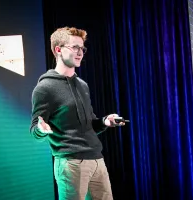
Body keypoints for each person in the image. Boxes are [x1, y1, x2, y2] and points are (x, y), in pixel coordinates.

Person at [29, 26, 125, 200]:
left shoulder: (82, 85)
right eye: (75, 47)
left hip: (97, 160)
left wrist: (104, 122)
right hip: (71, 163)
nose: (80, 52)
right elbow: (35, 128)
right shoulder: (45, 88)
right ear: (58, 50)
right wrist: (41, 129)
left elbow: (88, 124)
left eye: (82, 48)